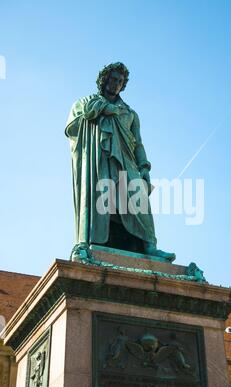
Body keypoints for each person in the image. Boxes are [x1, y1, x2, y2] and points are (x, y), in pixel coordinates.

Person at [65, 63, 175, 262]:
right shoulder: (85, 102)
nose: (116, 84)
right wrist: (99, 111)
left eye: (120, 81)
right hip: (98, 159)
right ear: (104, 80)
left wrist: (144, 167)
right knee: (100, 198)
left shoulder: (130, 113)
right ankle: (90, 242)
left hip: (127, 161)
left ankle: (150, 246)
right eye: (113, 79)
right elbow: (71, 127)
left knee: (138, 198)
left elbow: (138, 143)